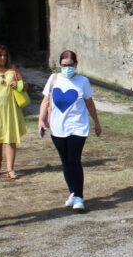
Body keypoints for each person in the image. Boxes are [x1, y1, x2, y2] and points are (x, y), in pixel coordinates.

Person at [38, 50, 102, 212]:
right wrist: (41, 120)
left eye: (70, 65)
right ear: (60, 65)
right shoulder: (53, 79)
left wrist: (96, 122)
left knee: (74, 159)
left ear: (76, 64)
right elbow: (45, 101)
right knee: (65, 161)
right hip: (58, 127)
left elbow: (89, 103)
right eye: (64, 65)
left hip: (78, 126)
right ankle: (72, 192)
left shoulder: (83, 81)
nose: (67, 68)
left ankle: (79, 196)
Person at [0, 45, 27, 179]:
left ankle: (10, 169)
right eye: (0, 55)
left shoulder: (12, 69)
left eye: (5, 55)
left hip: (10, 109)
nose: (3, 58)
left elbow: (25, 86)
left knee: (11, 139)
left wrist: (18, 85)